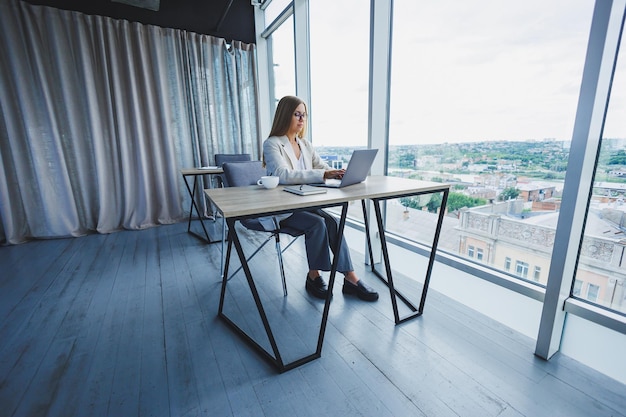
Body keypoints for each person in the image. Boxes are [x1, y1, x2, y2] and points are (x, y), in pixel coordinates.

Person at [262, 95, 378, 302]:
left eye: (304, 115)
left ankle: (350, 278)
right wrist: (323, 175)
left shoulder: (305, 144)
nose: (301, 119)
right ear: (285, 115)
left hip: (305, 201)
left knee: (332, 222)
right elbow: (282, 174)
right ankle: (313, 275)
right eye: (297, 114)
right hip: (283, 207)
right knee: (317, 223)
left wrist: (338, 172)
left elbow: (320, 166)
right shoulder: (272, 144)